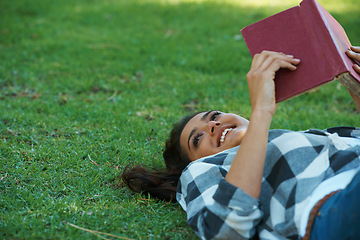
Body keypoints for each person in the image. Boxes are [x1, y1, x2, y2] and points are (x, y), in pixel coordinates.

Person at [122, 46, 360, 240]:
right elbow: (225, 230)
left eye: (214, 116)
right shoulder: (202, 169)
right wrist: (262, 111)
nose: (213, 125)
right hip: (331, 209)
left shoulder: (297, 136)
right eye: (197, 139)